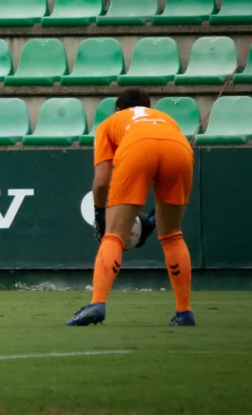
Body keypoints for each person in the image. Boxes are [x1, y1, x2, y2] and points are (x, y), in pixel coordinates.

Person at [67, 88, 194, 327]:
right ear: (148, 107)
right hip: (180, 149)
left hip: (137, 148)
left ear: (118, 109)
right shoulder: (166, 118)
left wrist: (99, 214)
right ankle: (184, 311)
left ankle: (97, 303)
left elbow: (102, 182)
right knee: (172, 235)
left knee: (114, 236)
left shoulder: (110, 123)